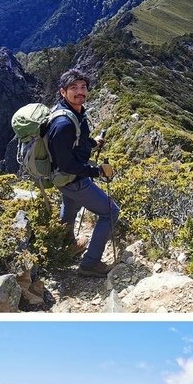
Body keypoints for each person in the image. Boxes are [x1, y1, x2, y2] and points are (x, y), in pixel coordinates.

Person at [48, 68, 120, 277]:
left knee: (70, 207)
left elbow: (77, 141)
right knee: (110, 212)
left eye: (83, 87)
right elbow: (66, 164)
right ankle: (90, 264)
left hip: (65, 180)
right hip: (73, 178)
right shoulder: (63, 124)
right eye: (73, 88)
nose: (80, 92)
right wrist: (96, 172)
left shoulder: (74, 113)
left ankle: (65, 246)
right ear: (63, 92)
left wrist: (92, 143)